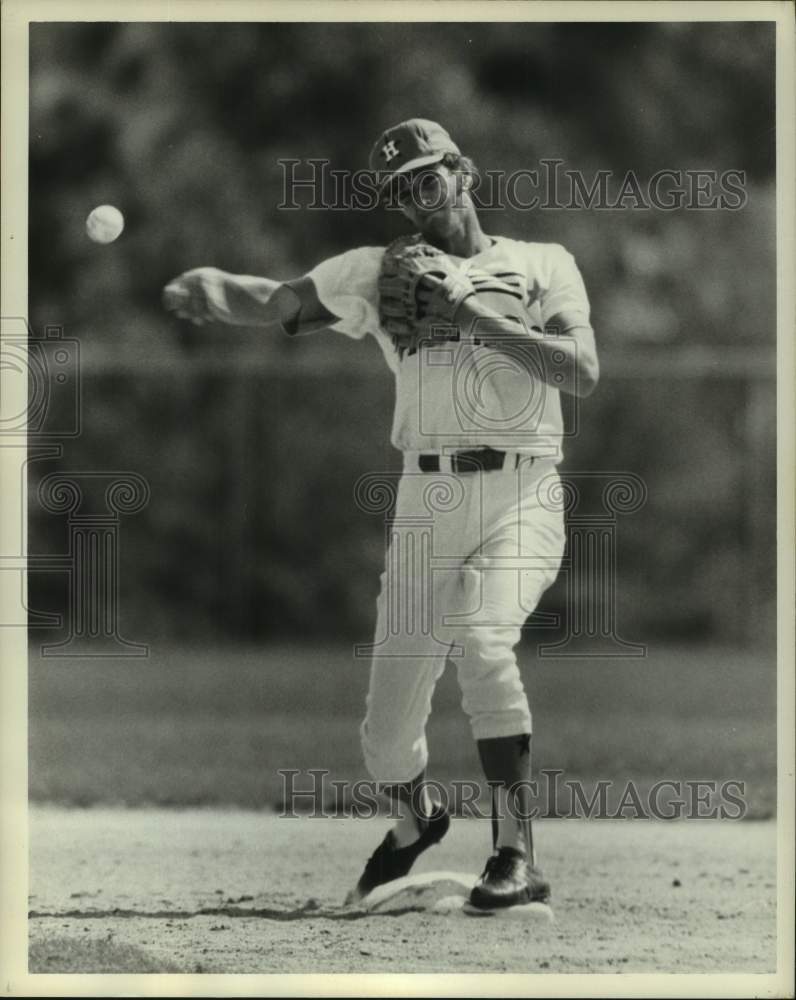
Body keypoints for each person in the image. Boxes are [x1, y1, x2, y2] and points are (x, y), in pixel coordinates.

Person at [163, 118, 598, 912]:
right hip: (426, 500)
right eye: (403, 194)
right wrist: (213, 289)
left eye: (429, 181)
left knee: (483, 637)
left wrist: (472, 316)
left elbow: (580, 370)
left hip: (523, 490)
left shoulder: (542, 264)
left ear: (464, 172)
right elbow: (280, 300)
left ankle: (515, 852)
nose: (419, 204)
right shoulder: (381, 273)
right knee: (386, 738)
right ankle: (416, 820)